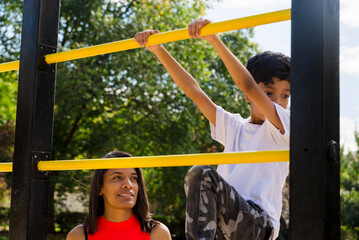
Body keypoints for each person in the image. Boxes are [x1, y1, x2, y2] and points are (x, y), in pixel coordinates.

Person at [134, 18, 290, 240]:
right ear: (249, 97)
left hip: (258, 225)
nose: (277, 102)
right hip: (223, 225)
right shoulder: (234, 126)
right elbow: (194, 91)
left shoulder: (284, 127)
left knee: (203, 174)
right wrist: (158, 50)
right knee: (197, 175)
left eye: (285, 95)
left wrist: (214, 40)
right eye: (267, 93)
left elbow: (246, 84)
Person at [66, 151, 171, 240]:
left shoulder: (158, 233)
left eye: (134, 178)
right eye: (117, 177)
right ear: (100, 187)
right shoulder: (78, 236)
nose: (128, 185)